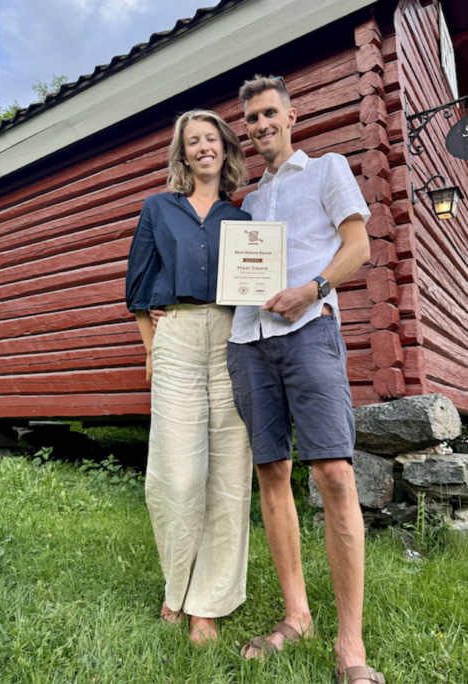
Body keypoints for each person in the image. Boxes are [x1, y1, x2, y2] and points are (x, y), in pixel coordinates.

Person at [226, 75, 385, 684]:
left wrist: (312, 290)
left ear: (291, 115)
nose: (261, 125)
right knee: (272, 473)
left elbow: (358, 246)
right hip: (248, 342)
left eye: (270, 114)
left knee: (335, 474)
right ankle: (298, 615)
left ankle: (351, 645)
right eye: (252, 119)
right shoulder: (248, 203)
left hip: (310, 331)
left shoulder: (328, 169)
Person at [125, 109, 253, 645]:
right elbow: (137, 288)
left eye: (211, 139)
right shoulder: (158, 209)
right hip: (174, 337)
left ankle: (208, 603)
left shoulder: (242, 223)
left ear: (225, 150)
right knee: (175, 476)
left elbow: (254, 290)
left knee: (228, 474)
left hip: (230, 337)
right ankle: (176, 585)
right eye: (192, 141)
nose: (203, 147)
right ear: (183, 154)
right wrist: (151, 350)